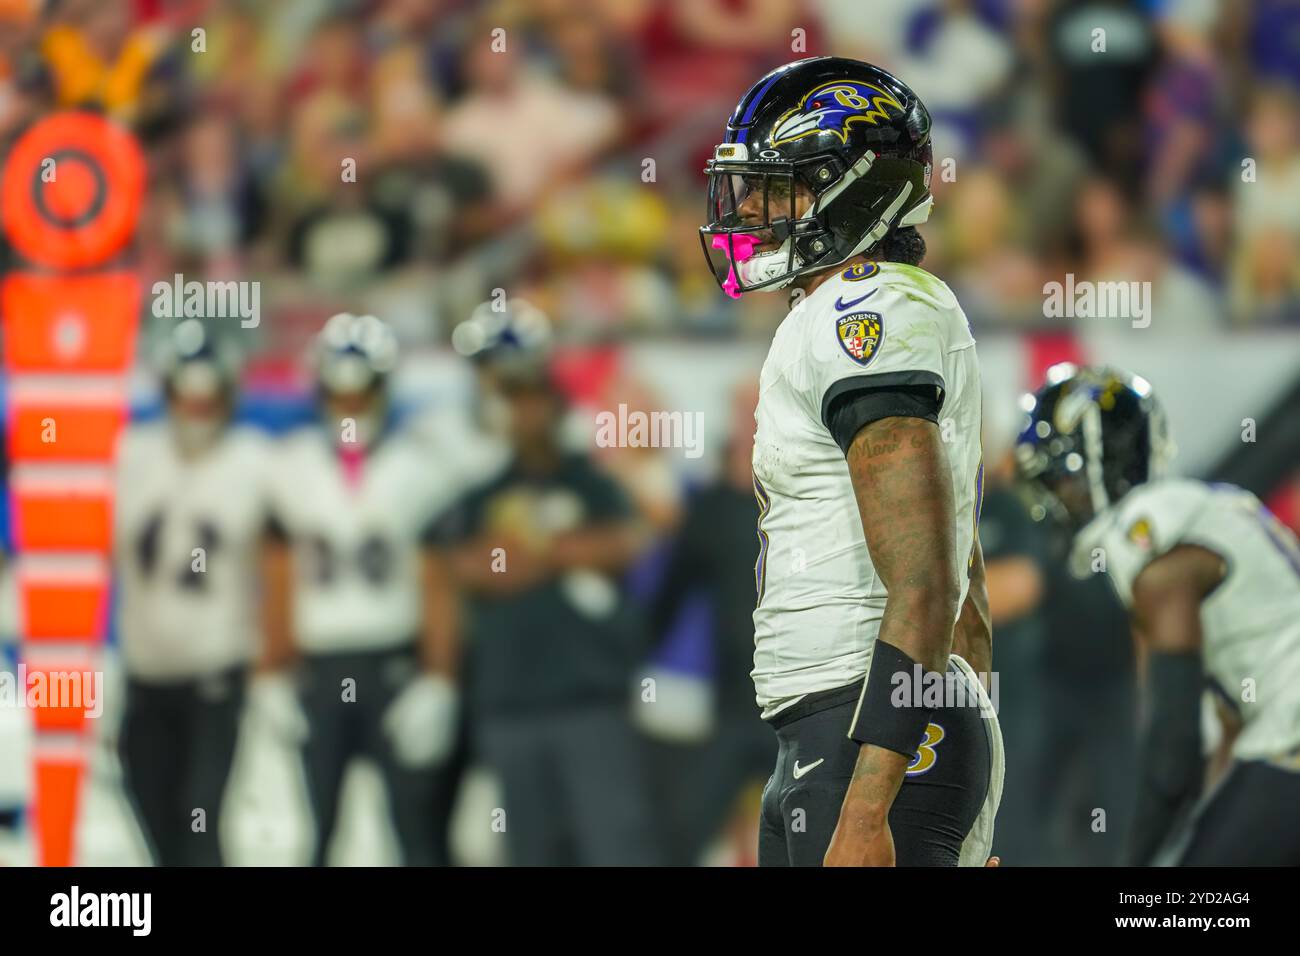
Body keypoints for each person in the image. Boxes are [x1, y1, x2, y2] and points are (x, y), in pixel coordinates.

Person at [700, 55, 1002, 867]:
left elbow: (927, 579)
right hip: (856, 727)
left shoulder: (861, 306)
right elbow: (960, 586)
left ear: (857, 189)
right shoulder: (846, 311)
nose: (756, 209)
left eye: (783, 186)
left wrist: (872, 808)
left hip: (870, 729)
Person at [1016, 363, 1300, 866]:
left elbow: (1173, 752)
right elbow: (1216, 741)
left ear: (1098, 467)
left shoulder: (1150, 542)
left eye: (1061, 480)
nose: (1055, 501)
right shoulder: (1209, 510)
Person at [428, 304, 660, 866]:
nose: (521, 409)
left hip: (590, 697)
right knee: (529, 850)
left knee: (615, 847)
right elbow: (460, 563)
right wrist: (556, 550)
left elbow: (628, 540)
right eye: (509, 392)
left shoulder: (588, 475)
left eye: (530, 394)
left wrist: (528, 551)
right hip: (507, 698)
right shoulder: (467, 470)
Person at [261, 312, 460, 866]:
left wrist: (439, 678)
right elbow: (277, 574)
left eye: (361, 390)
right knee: (318, 828)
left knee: (418, 831)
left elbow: (438, 581)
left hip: (392, 664)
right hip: (320, 668)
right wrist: (270, 672)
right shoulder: (291, 464)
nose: (349, 405)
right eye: (338, 391)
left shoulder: (417, 466)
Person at [112, 320, 271, 865]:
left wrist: (278, 662)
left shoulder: (255, 460)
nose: (198, 412)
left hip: (215, 675)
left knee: (200, 816)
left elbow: (285, 564)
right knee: (154, 816)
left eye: (209, 400)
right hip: (145, 676)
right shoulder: (130, 455)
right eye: (188, 397)